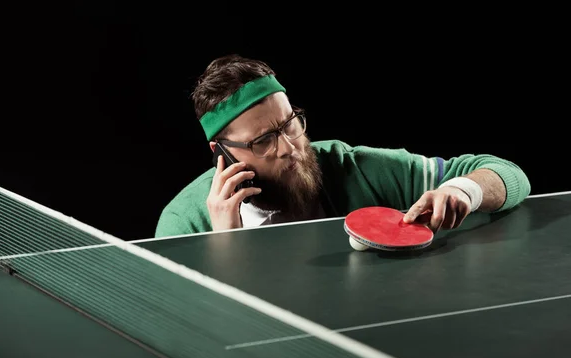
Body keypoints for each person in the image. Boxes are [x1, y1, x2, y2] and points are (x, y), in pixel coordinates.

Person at [154, 54, 531, 238]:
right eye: (264, 140)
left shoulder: (350, 169)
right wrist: (224, 249)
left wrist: (461, 190)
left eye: (290, 123)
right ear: (222, 153)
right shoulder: (184, 224)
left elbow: (505, 173)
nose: (291, 147)